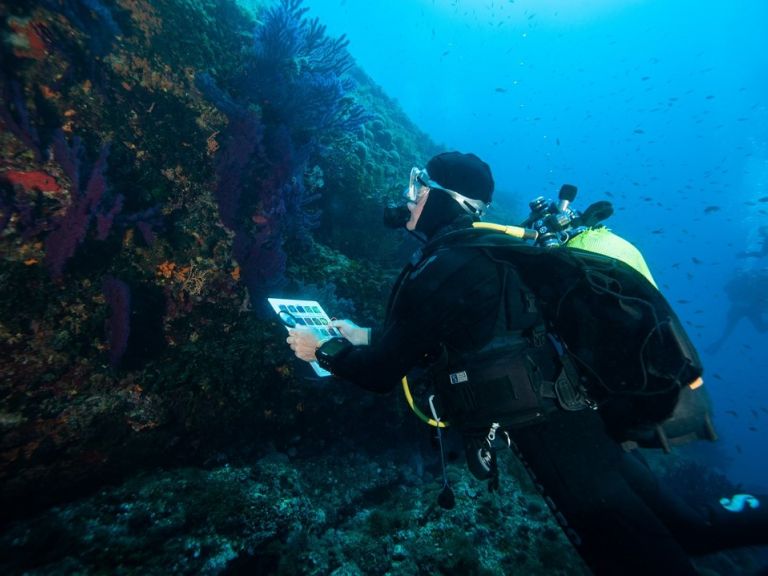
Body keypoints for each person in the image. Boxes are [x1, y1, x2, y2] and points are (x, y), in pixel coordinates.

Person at [286, 152, 768, 575]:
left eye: (419, 186)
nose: (408, 197)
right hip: (587, 426)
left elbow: (378, 375)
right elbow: (465, 338)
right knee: (694, 530)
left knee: (640, 563)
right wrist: (366, 335)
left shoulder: (440, 269)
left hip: (555, 444)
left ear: (442, 198)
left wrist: (321, 349)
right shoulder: (489, 255)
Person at [707, 266, 768, 354]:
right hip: (743, 309)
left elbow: (727, 290)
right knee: (728, 330)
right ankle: (718, 344)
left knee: (729, 330)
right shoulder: (741, 281)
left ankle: (718, 343)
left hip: (746, 309)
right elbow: (728, 290)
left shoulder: (761, 283)